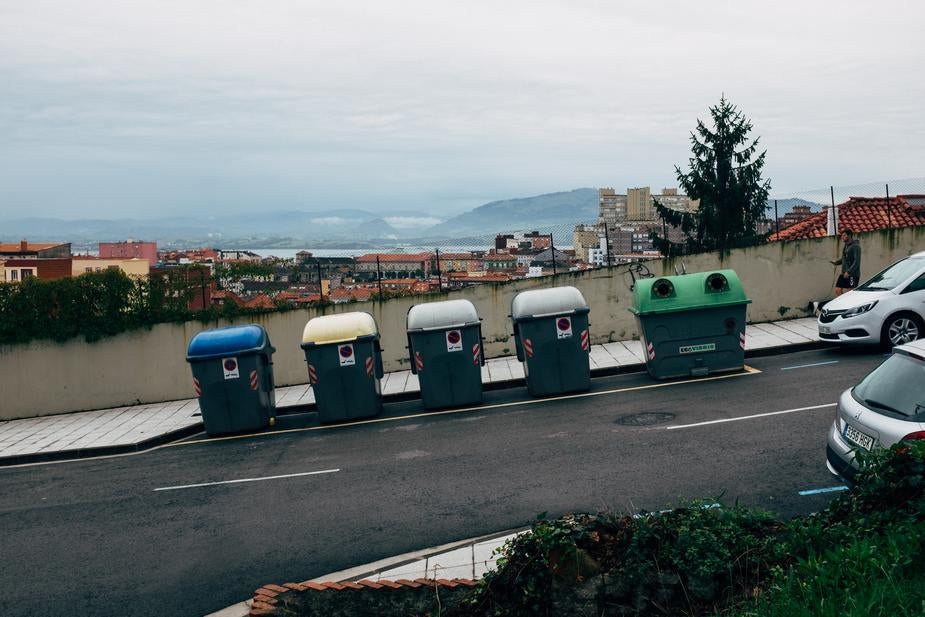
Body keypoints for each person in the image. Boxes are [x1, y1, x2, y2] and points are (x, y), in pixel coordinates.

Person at [832, 228, 861, 296]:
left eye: (844, 235)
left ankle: (850, 305)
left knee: (849, 294)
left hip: (852, 274)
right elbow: (845, 258)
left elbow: (857, 261)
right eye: (842, 235)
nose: (842, 237)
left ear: (850, 236)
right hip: (844, 273)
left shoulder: (856, 246)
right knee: (837, 290)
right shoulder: (846, 246)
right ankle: (843, 305)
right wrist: (837, 262)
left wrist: (849, 272)